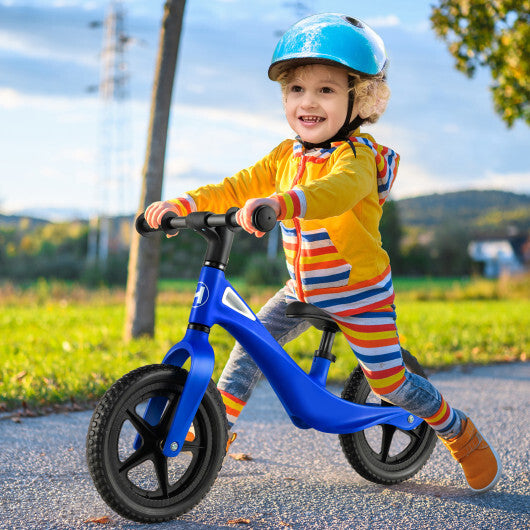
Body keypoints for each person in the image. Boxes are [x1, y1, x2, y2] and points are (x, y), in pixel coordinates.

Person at [145, 13, 501, 493]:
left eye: (326, 91)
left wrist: (281, 202)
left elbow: (334, 192)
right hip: (302, 287)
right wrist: (183, 205)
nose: (307, 102)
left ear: (361, 98)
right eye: (296, 90)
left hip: (360, 290)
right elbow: (237, 185)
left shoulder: (355, 158)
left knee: (392, 382)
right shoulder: (285, 156)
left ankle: (457, 430)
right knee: (247, 349)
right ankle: (215, 433)